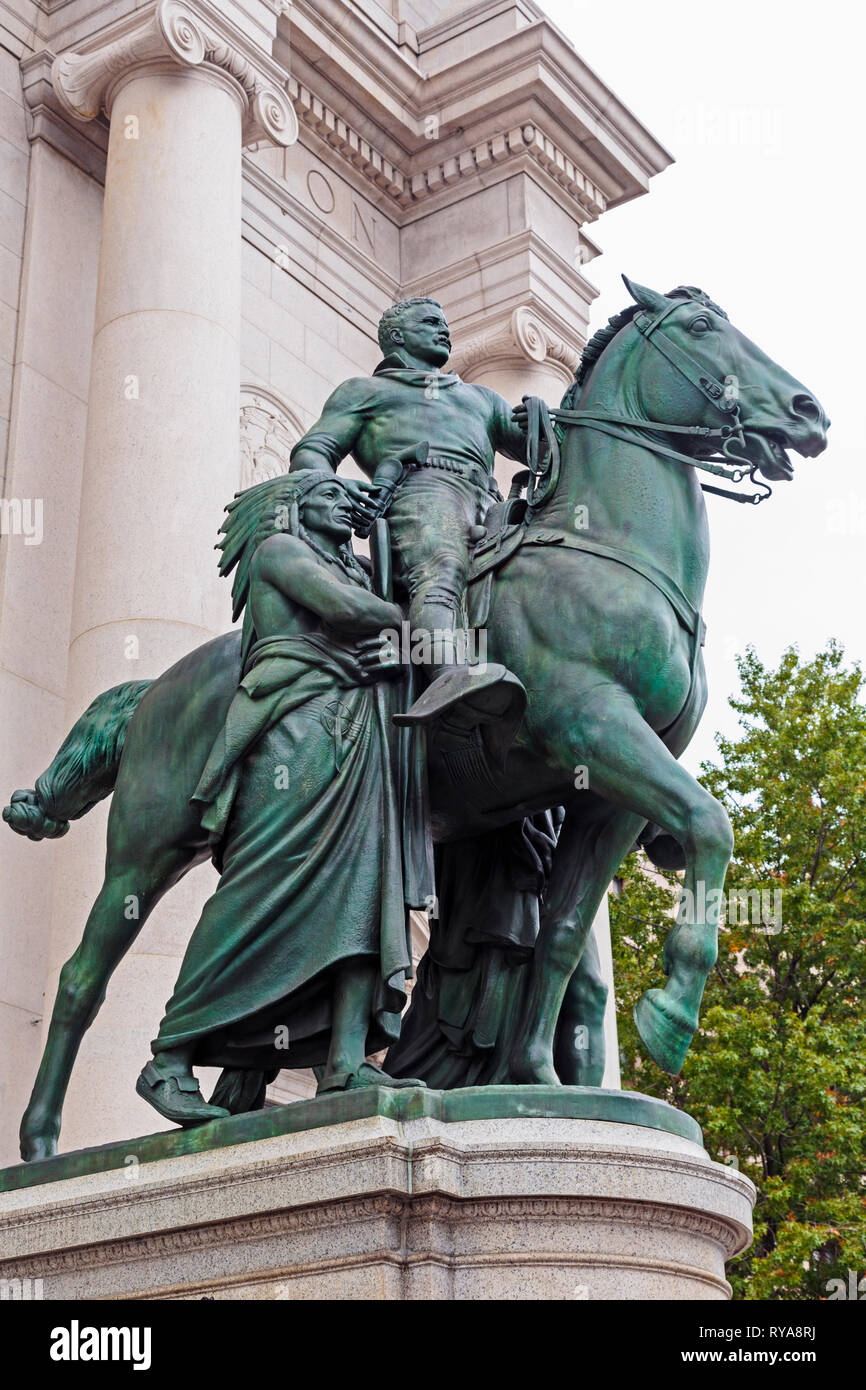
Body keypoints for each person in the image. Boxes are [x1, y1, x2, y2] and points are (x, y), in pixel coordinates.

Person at [136, 472, 431, 1126]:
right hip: (294, 731)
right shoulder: (281, 553)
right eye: (327, 496)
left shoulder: (353, 564)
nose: (342, 502)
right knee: (261, 887)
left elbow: (380, 605)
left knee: (366, 892)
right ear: (292, 508)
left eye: (345, 498)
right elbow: (352, 613)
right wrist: (426, 621)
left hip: (359, 737)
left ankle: (347, 1058)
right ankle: (170, 1056)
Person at [288, 296, 527, 733]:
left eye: (446, 323)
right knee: (442, 568)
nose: (445, 330)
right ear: (397, 336)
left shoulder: (481, 398)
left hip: (489, 501)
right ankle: (448, 677)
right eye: (431, 322)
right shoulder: (367, 392)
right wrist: (337, 492)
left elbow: (534, 447)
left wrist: (543, 425)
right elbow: (313, 451)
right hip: (420, 492)